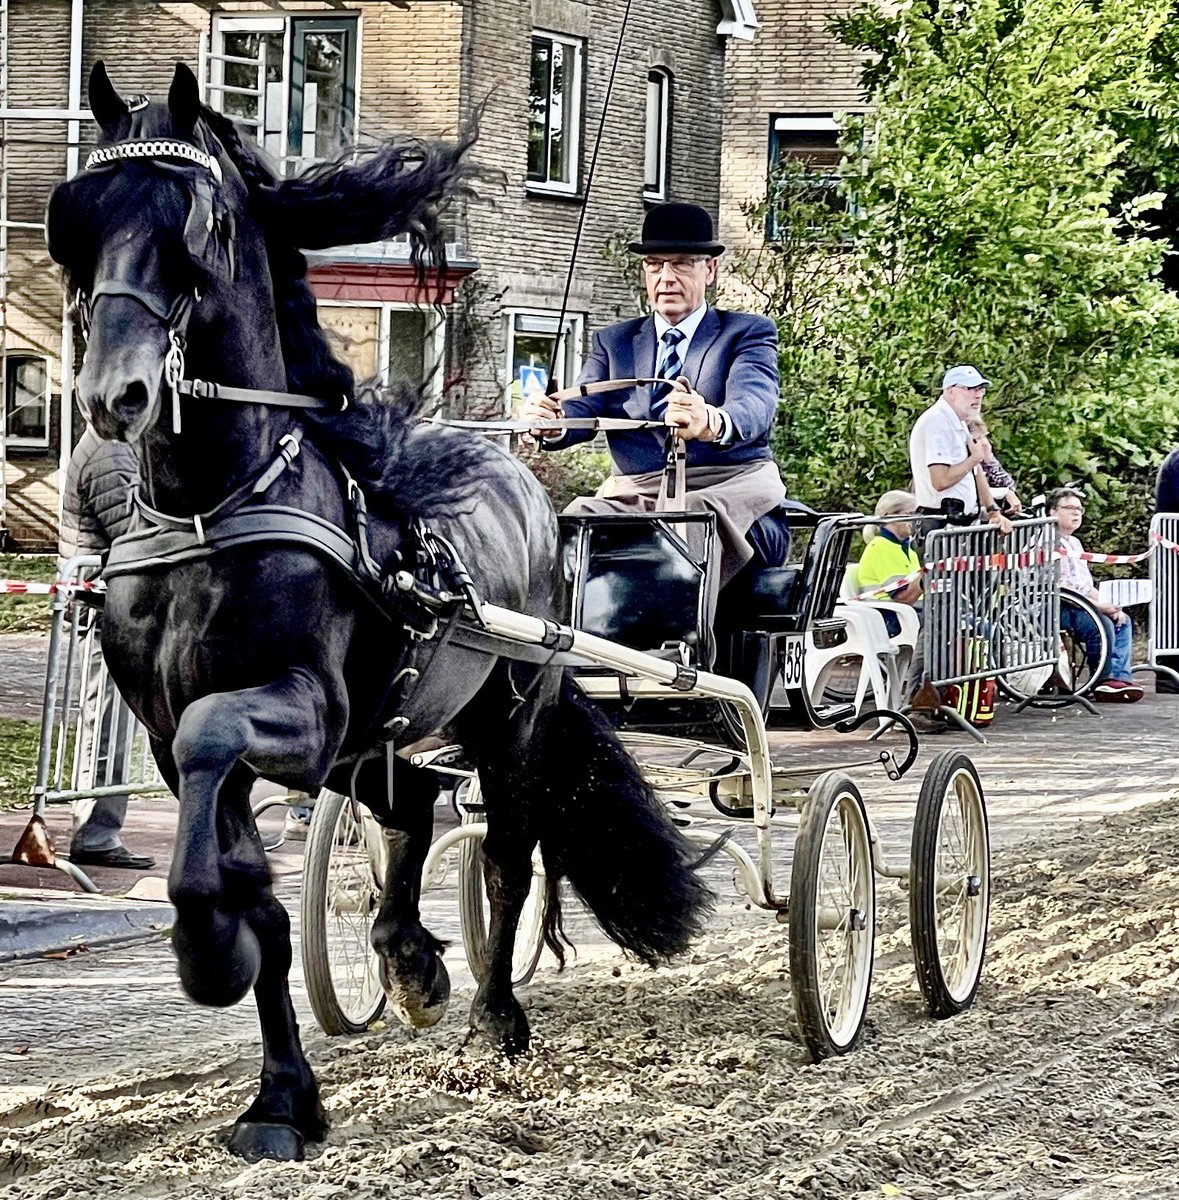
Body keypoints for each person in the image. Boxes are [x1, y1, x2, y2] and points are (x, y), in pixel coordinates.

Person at [519, 201, 787, 590]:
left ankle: (679, 650)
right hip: (638, 497)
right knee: (577, 519)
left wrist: (710, 420)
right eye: (655, 264)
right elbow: (579, 410)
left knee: (688, 523)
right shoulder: (615, 342)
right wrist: (549, 423)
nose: (666, 277)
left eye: (681, 263)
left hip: (732, 496)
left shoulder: (746, 333)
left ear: (709, 270)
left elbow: (755, 403)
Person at [58, 426, 156, 869]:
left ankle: (98, 828)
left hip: (114, 610)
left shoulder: (115, 448)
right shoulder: (110, 453)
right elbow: (134, 532)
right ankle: (94, 834)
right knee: (106, 729)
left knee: (111, 727)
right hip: (105, 613)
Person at [1051, 487, 1144, 703]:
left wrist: (1109, 603)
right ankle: (1101, 680)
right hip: (1055, 606)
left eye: (1079, 509)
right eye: (1069, 508)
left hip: (1081, 603)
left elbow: (1085, 585)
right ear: (1052, 512)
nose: (1076, 513)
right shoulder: (1048, 541)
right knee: (1100, 624)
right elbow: (1062, 587)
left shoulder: (1074, 543)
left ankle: (1119, 678)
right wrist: (1097, 607)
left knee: (1122, 619)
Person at [909, 366, 1012, 533]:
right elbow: (940, 481)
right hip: (940, 523)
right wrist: (974, 459)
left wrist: (994, 511)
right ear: (950, 392)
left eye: (980, 389)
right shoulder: (937, 421)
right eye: (970, 389)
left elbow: (975, 471)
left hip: (959, 523)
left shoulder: (958, 420)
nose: (978, 395)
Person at [966, 414, 1022, 514]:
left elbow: (1009, 485)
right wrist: (1004, 493)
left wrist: (989, 460)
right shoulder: (962, 464)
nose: (984, 442)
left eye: (984, 436)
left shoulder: (984, 464)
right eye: (978, 438)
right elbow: (972, 491)